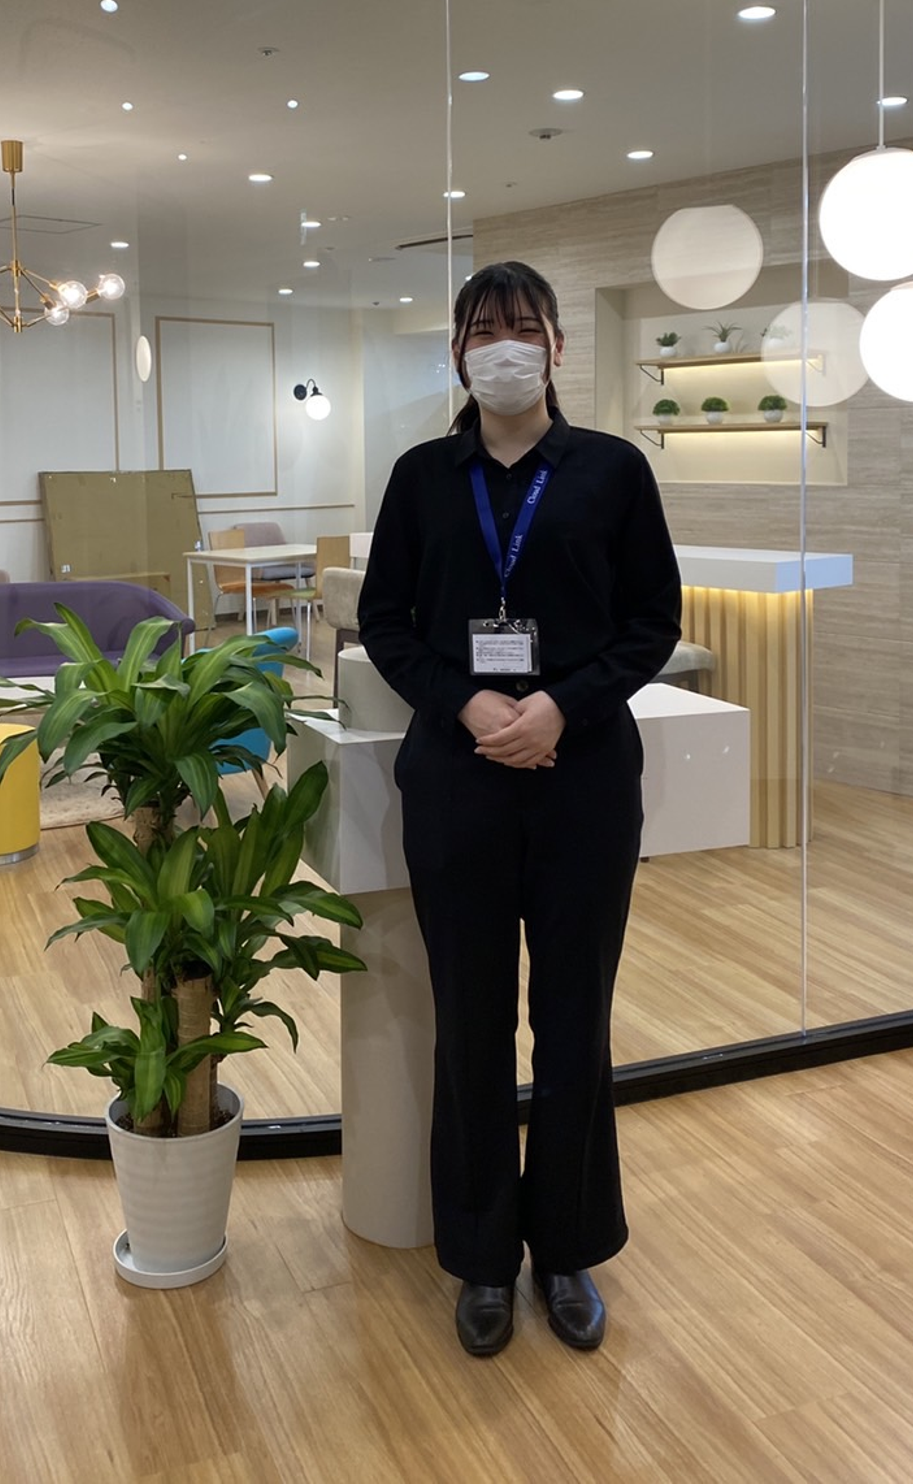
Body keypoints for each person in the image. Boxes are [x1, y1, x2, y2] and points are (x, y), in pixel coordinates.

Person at [358, 260, 682, 1357]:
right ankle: (484, 1257)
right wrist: (467, 701)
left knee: (577, 1019)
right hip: (458, 781)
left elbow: (651, 621)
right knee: (471, 1019)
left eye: (524, 326)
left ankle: (570, 1247)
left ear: (556, 346)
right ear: (458, 352)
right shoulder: (420, 476)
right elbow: (386, 622)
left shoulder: (613, 471)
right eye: (484, 328)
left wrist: (559, 707)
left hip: (583, 778)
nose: (505, 344)